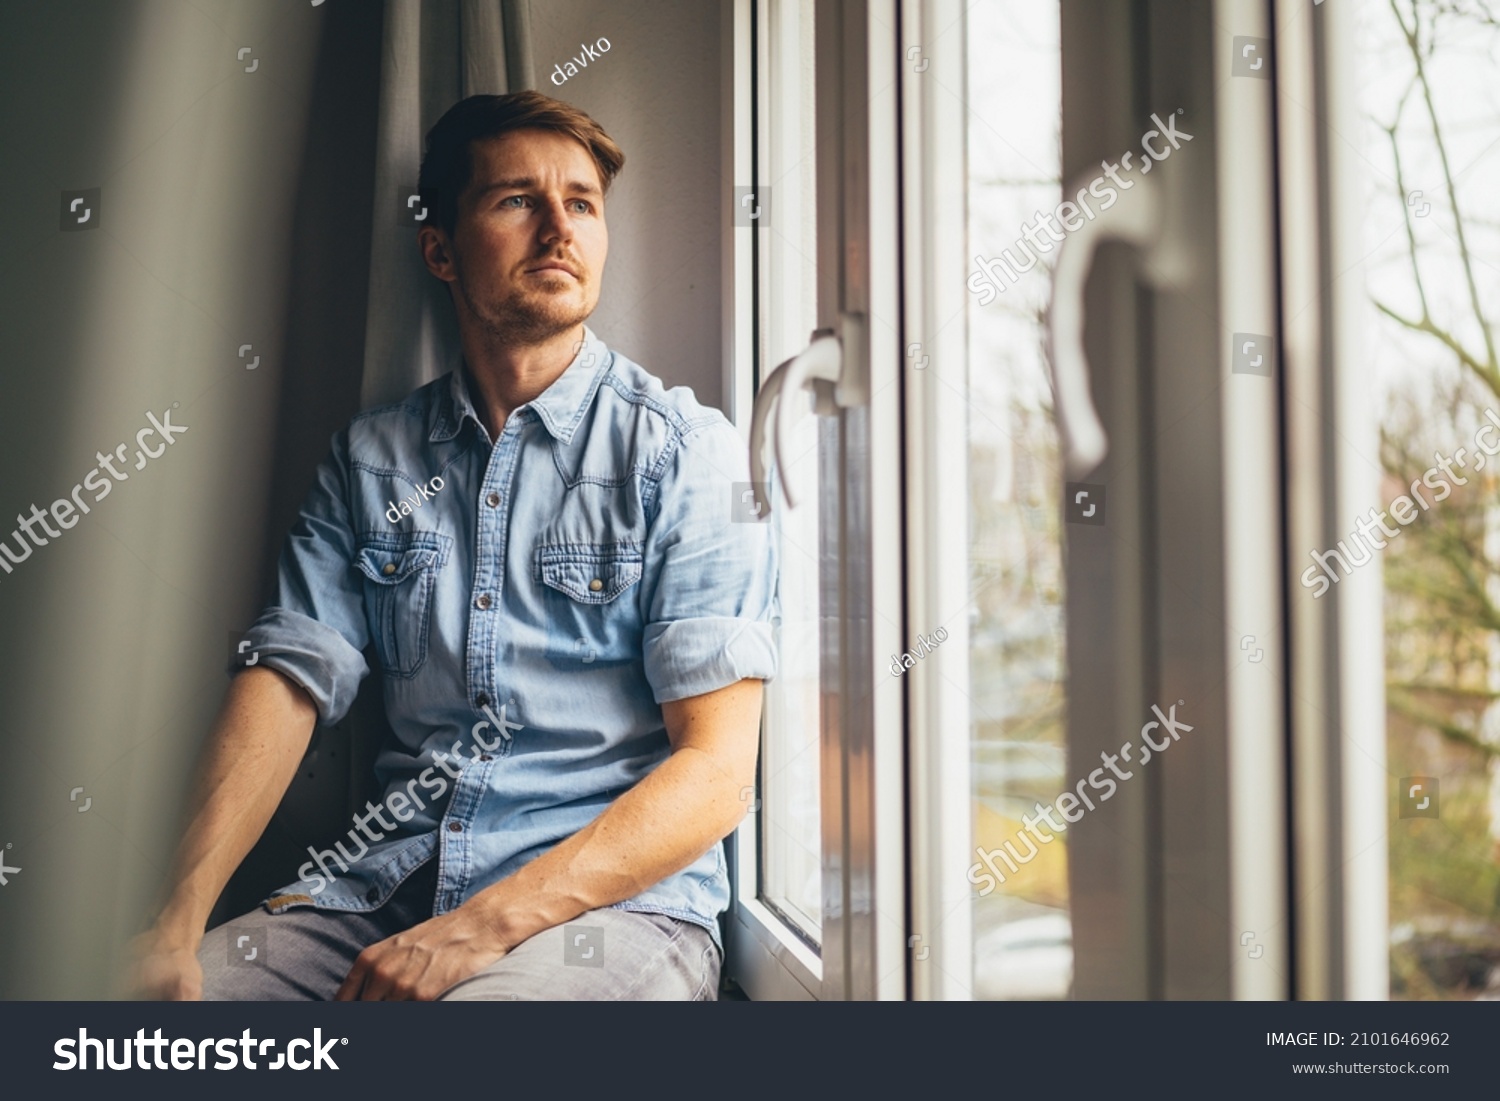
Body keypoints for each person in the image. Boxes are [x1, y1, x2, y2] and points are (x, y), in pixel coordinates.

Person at [126, 90, 776, 1001]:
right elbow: (287, 678)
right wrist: (174, 920)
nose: (560, 229)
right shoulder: (371, 459)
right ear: (439, 247)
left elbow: (714, 772)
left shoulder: (685, 452)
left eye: (582, 203)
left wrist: (476, 931)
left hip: (608, 915)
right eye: (517, 200)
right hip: (384, 892)